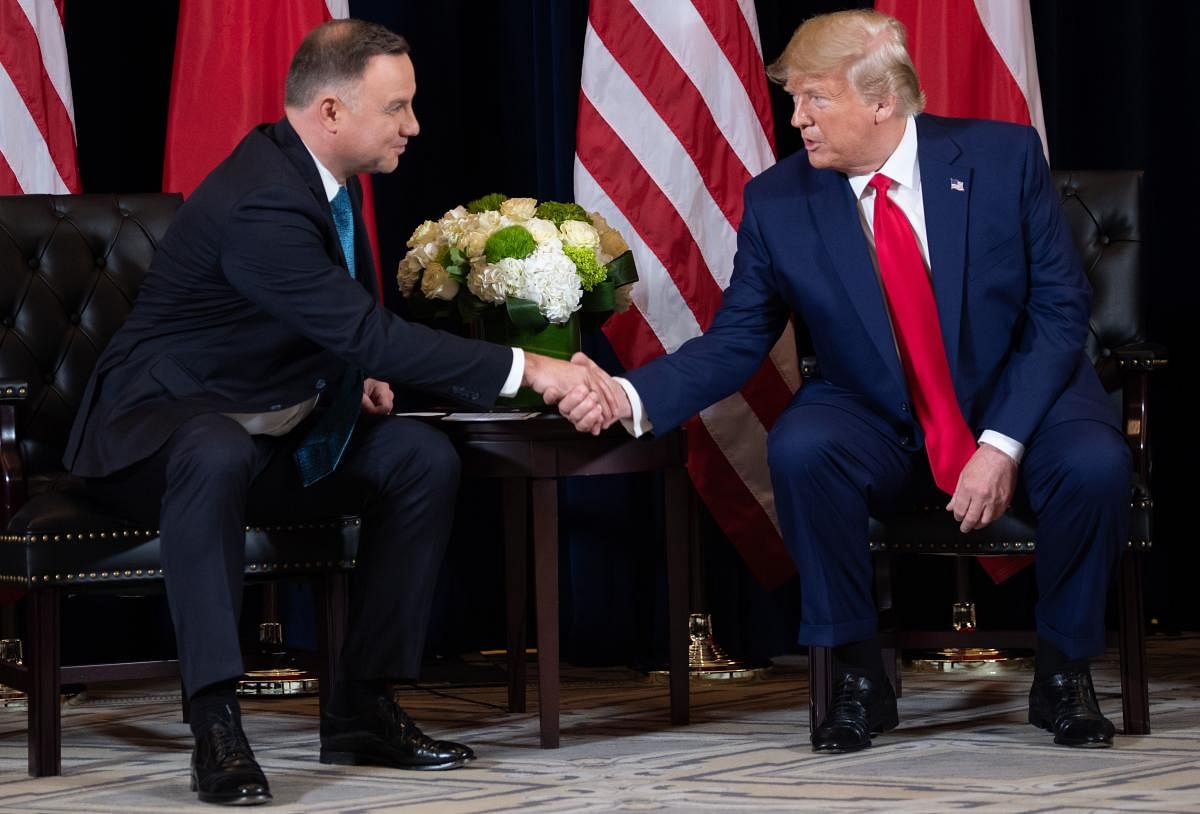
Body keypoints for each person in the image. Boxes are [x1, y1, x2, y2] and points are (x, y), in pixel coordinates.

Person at [64, 19, 617, 806]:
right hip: (152, 440)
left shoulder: (322, 181)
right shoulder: (264, 199)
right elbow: (363, 328)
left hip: (267, 431)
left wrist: (346, 374)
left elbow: (311, 327)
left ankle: (363, 705)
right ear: (330, 112)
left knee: (417, 460)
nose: (414, 126)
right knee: (213, 449)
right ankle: (216, 723)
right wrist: (533, 367)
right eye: (397, 108)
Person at [560, 9, 1129, 754]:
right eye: (793, 100)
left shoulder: (1003, 157)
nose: (797, 120)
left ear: (882, 101)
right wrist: (626, 394)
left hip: (1020, 394)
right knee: (802, 446)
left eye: (814, 100)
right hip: (876, 407)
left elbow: (1059, 314)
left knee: (1095, 462)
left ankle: (1063, 674)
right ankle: (857, 675)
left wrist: (1001, 442)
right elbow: (737, 341)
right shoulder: (779, 200)